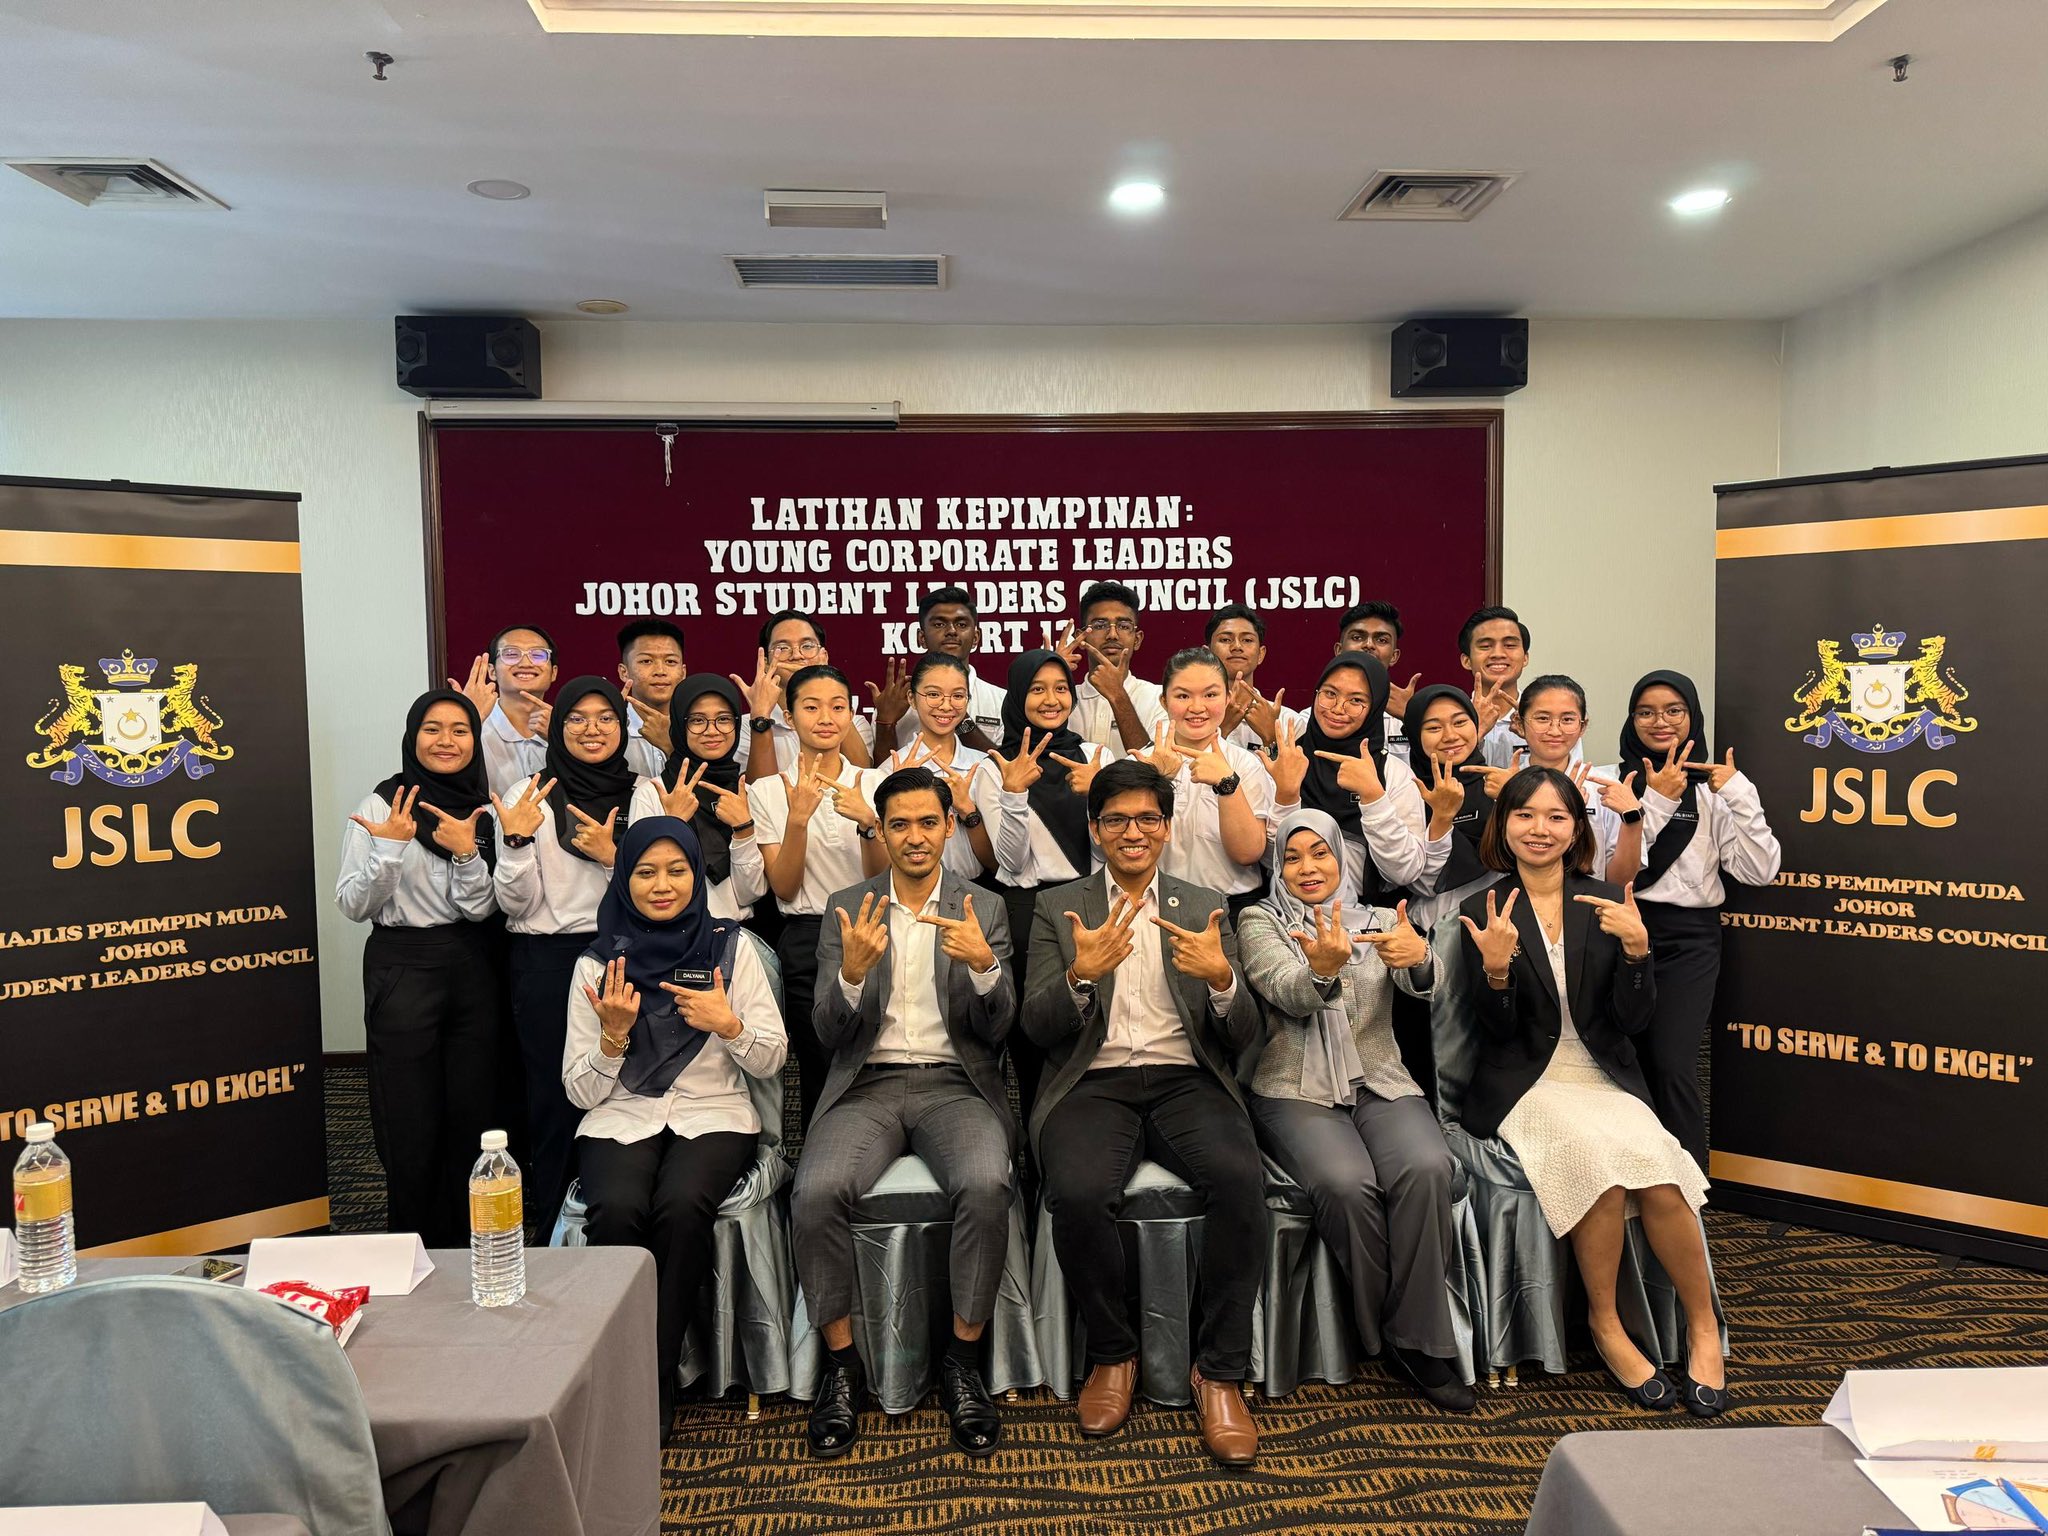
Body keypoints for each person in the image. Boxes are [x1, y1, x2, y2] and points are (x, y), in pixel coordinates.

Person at [1457, 767, 1725, 1418]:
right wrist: (1496, 971)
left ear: (1577, 828)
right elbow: (1496, 1033)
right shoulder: (1484, 908)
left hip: (1602, 1075)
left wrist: (1637, 955)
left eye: (1556, 817)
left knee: (1659, 1167)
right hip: (1528, 1083)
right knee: (1597, 1168)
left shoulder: (1604, 899)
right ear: (1503, 825)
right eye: (1525, 815)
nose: (1539, 829)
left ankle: (1703, 1327)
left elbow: (1632, 1023)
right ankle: (1606, 1325)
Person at [1022, 759, 1265, 1467]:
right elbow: (1035, 1027)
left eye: (1148, 819)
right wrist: (1079, 976)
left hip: (1186, 1078)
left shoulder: (1203, 902)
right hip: (1091, 1081)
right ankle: (1112, 1354)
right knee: (1077, 1192)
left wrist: (1222, 981)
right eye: (1117, 820)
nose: (1134, 832)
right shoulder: (1058, 907)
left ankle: (1219, 1372)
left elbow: (1243, 1033)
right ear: (1095, 829)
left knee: (1239, 1182)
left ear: (1166, 827)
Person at [794, 767, 1017, 1459]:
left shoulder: (984, 906)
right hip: (868, 1084)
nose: (915, 837)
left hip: (956, 1084)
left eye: (927, 822)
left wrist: (984, 967)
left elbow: (999, 1029)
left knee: (986, 1183)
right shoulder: (848, 906)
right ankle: (841, 1367)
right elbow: (828, 1033)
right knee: (815, 1191)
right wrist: (852, 974)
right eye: (900, 825)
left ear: (949, 827)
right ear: (881, 832)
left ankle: (962, 1360)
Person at [1238, 809, 1472, 1412]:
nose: (1307, 867)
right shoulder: (1260, 921)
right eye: (1293, 857)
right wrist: (1320, 970)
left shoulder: (1378, 919)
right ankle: (1394, 1334)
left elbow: (1428, 985)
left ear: (1342, 860)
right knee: (1346, 1185)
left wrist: (1418, 956)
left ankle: (1415, 1338)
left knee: (1427, 1168)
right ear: (1278, 866)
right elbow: (1284, 990)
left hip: (1380, 1079)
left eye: (1320, 853)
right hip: (1293, 1087)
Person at [563, 817, 787, 1428]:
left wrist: (728, 1024)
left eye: (677, 870)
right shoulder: (597, 965)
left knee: (682, 1204)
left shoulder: (732, 950)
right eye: (645, 872)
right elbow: (580, 1091)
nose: (662, 885)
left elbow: (772, 1059)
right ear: (623, 879)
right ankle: (627, 1364)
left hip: (714, 1110)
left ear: (695, 874)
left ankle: (648, 1378)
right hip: (621, 1115)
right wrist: (612, 1038)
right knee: (617, 1209)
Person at [335, 689, 499, 1249]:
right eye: (433, 729)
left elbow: (482, 909)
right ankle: (411, 1245)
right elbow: (352, 904)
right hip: (402, 966)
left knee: (473, 1111)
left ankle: (473, 1244)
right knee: (408, 1115)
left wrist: (467, 853)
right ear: (412, 737)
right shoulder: (382, 806)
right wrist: (387, 853)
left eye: (460, 730)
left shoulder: (482, 807)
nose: (446, 741)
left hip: (472, 965)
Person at [492, 676, 649, 1230]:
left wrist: (613, 858)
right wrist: (514, 843)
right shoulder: (528, 794)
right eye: (577, 718)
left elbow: (658, 894)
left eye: (605, 718)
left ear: (622, 726)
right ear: (557, 727)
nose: (592, 729)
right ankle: (556, 1225)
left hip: (628, 957)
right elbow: (514, 903)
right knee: (554, 1096)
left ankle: (619, 1219)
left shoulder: (644, 793)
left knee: (625, 1088)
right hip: (548, 961)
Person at [1619, 670, 1781, 1167]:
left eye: (1674, 711)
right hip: (1621, 930)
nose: (1660, 721)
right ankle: (1631, 1180)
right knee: (1619, 1061)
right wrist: (1656, 800)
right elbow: (1612, 871)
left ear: (1692, 717)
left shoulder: (1715, 791)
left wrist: (1739, 791)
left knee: (1672, 1063)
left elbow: (1759, 871)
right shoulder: (1617, 782)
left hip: (1690, 941)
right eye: (1646, 712)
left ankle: (1688, 1189)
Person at [973, 649, 1113, 1126]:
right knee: (1034, 1036)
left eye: (1061, 688)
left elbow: (1111, 852)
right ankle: (1038, 1148)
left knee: (1096, 1032)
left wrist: (1099, 794)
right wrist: (1014, 793)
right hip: (1025, 911)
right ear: (1017, 696)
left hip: (1092, 903)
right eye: (1037, 689)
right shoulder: (994, 766)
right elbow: (1010, 862)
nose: (1051, 699)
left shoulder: (1097, 758)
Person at [748, 663, 875, 1131]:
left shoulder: (875, 784)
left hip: (873, 926)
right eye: (811, 707)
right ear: (788, 715)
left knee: (876, 1058)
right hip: (805, 938)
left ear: (851, 714)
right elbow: (783, 887)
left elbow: (883, 877)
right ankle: (820, 1160)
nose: (826, 717)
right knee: (819, 1060)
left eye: (838, 707)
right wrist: (797, 819)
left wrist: (869, 823)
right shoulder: (767, 790)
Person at [1271, 653, 1433, 907]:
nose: (1338, 708)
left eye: (1356, 700)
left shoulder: (1392, 772)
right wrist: (1287, 796)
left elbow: (1405, 872)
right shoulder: (1287, 760)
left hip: (1369, 916)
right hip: (1287, 913)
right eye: (1330, 694)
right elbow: (1266, 862)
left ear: (1375, 707)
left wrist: (1374, 799)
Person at [1461, 674, 1645, 885]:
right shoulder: (1501, 785)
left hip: (1588, 902)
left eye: (1567, 720)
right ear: (1520, 723)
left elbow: (1619, 881)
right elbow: (1492, 862)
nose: (1555, 730)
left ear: (1583, 726)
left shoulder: (1603, 787)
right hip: (1515, 900)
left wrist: (1633, 817)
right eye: (1542, 718)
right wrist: (1509, 797)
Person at [1139, 646, 1280, 916]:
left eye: (1210, 694)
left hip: (1233, 906)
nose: (1197, 707)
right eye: (1183, 696)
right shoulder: (1141, 763)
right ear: (1164, 701)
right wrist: (1154, 780)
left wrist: (1228, 784)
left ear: (1228, 698)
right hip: (1154, 906)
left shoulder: (1246, 764)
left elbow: (1248, 853)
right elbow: (1124, 848)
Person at [627, 675, 763, 920]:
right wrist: (673, 825)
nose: (712, 731)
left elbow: (750, 894)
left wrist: (743, 829)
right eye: (697, 720)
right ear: (680, 725)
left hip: (734, 934)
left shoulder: (746, 793)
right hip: (670, 933)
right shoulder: (654, 793)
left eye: (723, 719)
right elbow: (642, 886)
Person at [863, 652, 996, 880]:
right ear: (912, 699)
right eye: (933, 694)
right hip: (909, 889)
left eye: (958, 695)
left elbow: (997, 864)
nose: (946, 705)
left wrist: (968, 811)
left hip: (978, 887)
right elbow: (879, 867)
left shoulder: (983, 766)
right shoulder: (890, 770)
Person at [734, 612, 876, 781]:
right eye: (782, 648)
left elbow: (864, 778)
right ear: (765, 663)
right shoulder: (746, 726)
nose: (797, 655)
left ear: (824, 656)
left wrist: (824, 677)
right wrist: (760, 716)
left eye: (807, 646)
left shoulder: (856, 722)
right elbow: (758, 789)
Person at [872, 585, 1007, 751]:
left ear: (976, 638)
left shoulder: (1002, 701)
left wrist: (956, 712)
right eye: (939, 624)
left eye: (961, 624)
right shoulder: (894, 701)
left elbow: (1007, 765)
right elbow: (881, 767)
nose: (951, 631)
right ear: (921, 638)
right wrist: (885, 722)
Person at [1065, 581, 1167, 759]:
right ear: (1081, 638)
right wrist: (1051, 674)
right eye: (1099, 625)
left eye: (1124, 626)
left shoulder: (1159, 699)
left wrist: (1117, 695)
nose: (1112, 635)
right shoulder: (1062, 700)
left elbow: (1156, 766)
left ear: (1137, 639)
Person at [451, 624, 555, 796]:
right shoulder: (476, 722)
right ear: (492, 672)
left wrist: (559, 738)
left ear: (553, 673)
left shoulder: (568, 728)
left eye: (537, 655)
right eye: (511, 654)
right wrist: (468, 720)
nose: (526, 663)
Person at [1458, 605, 1569, 768]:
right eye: (1485, 646)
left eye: (1510, 645)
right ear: (1467, 661)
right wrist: (1476, 731)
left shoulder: (1553, 718)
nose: (1498, 654)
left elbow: (1569, 778)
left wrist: (1536, 736)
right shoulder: (1451, 719)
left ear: (1525, 658)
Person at [1204, 603, 1290, 756]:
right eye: (1225, 639)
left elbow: (1295, 772)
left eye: (1247, 640)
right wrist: (1220, 729)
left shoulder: (1288, 721)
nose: (1237, 646)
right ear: (1207, 654)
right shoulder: (1190, 715)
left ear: (1261, 654)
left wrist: (1271, 738)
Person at [1335, 602, 1417, 753]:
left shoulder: (1408, 715)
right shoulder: (1314, 717)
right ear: (1339, 650)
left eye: (1382, 640)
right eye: (1357, 637)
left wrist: (1411, 718)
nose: (1368, 645)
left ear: (1394, 656)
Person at [616, 618, 685, 776]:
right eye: (646, 661)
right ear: (624, 672)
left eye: (670, 661)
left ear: (683, 672)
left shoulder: (701, 728)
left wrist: (670, 747)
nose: (660, 671)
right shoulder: (607, 730)